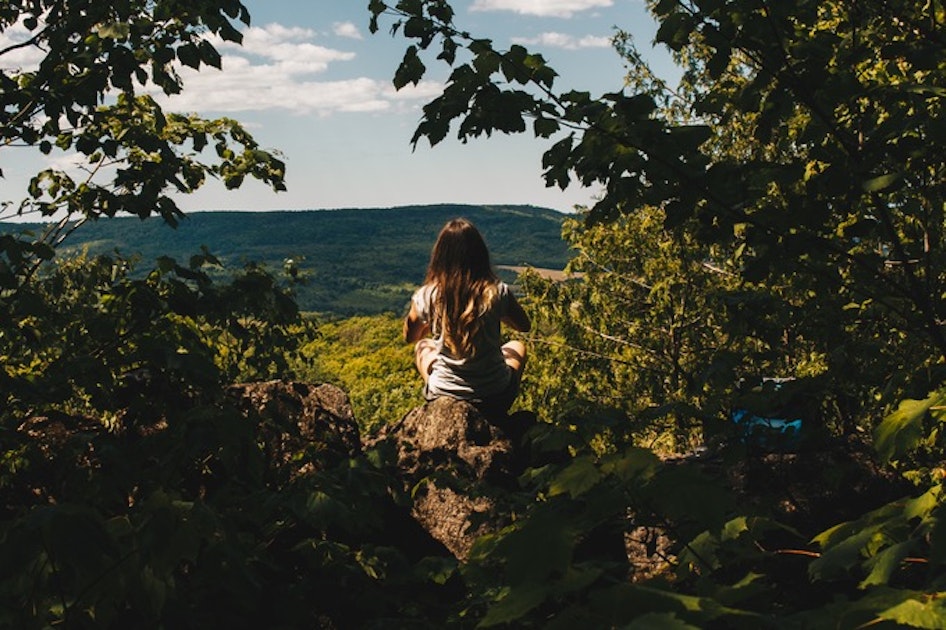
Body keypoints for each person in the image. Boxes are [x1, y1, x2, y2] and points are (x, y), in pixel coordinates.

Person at [404, 217, 531, 417]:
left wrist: (432, 325)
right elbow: (524, 326)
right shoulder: (497, 292)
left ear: (440, 256)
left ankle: (444, 394)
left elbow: (411, 337)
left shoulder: (427, 295)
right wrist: (497, 314)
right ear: (480, 255)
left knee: (422, 346)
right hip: (495, 397)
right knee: (517, 346)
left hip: (443, 395)